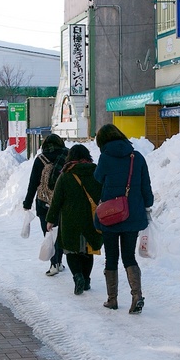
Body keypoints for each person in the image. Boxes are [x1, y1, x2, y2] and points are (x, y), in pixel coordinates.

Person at [94, 124, 154, 314]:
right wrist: (147, 204)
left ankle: (112, 300)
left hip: (110, 215)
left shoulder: (105, 157)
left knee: (111, 257)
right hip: (132, 214)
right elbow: (146, 186)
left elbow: (98, 178)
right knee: (129, 256)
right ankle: (137, 296)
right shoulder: (137, 157)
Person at [45, 144, 103, 295]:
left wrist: (50, 219)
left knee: (71, 251)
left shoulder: (65, 175)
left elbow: (57, 200)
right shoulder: (95, 172)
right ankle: (87, 279)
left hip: (70, 220)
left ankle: (77, 276)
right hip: (91, 218)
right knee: (87, 250)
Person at [23, 134, 68, 276]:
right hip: (62, 202)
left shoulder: (40, 159)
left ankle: (53, 263)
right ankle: (59, 262)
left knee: (48, 233)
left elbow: (33, 183)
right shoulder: (67, 157)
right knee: (60, 233)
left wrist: (27, 203)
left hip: (44, 203)